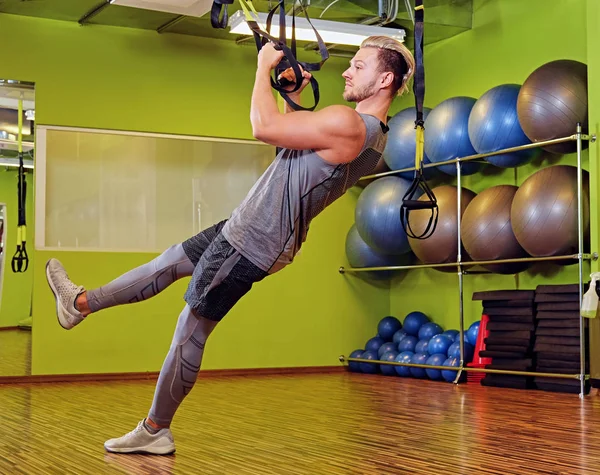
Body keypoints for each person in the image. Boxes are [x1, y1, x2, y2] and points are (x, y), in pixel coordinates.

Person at [46, 35, 415, 455]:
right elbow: (295, 151)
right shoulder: (371, 135)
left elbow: (264, 127)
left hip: (254, 240)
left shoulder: (350, 125)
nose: (348, 71)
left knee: (191, 330)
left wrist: (262, 68)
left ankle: (154, 429)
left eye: (360, 66)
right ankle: (78, 304)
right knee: (169, 262)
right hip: (245, 225)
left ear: (385, 78)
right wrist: (292, 95)